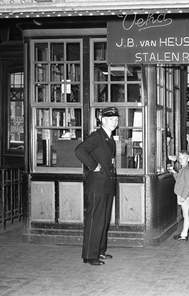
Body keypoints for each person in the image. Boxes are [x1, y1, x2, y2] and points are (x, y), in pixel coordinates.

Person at [75, 106, 119, 266]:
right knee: (94, 220)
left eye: (116, 119)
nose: (114, 122)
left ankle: (100, 250)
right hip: (97, 185)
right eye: (111, 119)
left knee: (103, 220)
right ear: (103, 120)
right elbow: (80, 151)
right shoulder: (97, 136)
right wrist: (94, 166)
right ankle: (89, 255)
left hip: (106, 184)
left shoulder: (109, 138)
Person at [169, 151, 189, 241]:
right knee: (185, 214)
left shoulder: (187, 171)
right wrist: (174, 172)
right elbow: (179, 180)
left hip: (185, 195)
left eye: (184, 158)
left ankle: (184, 235)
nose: (181, 160)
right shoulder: (184, 169)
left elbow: (188, 185)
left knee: (186, 215)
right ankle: (184, 233)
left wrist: (183, 197)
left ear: (188, 159)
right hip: (183, 194)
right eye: (180, 158)